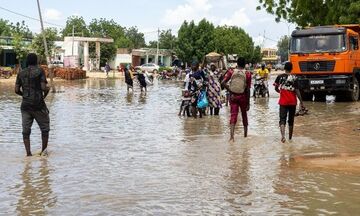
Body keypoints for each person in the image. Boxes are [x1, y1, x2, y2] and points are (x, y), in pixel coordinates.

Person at [15, 53, 50, 156]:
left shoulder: (21, 73)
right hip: (38, 105)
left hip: (25, 106)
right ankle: (43, 152)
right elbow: (44, 87)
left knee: (26, 131)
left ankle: (28, 154)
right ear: (36, 61)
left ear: (27, 61)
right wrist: (46, 93)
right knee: (45, 129)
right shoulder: (40, 71)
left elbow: (16, 90)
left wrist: (24, 96)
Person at [221, 57, 251, 141]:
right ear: (245, 64)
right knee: (244, 115)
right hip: (243, 97)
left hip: (233, 96)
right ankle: (245, 136)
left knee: (233, 115)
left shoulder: (231, 71)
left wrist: (230, 90)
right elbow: (248, 89)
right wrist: (248, 103)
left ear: (237, 64)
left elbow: (223, 82)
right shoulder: (248, 74)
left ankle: (231, 137)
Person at [274, 62, 304, 143]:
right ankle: (290, 138)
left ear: (284, 68)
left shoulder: (279, 77)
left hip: (283, 102)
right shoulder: (294, 78)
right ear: (291, 68)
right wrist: (301, 102)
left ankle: (283, 137)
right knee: (291, 121)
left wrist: (280, 91)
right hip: (292, 102)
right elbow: (297, 91)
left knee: (282, 120)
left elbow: (276, 88)